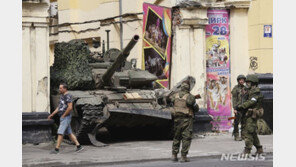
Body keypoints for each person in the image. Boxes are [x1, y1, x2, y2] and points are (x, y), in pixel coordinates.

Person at [48, 83, 83, 154]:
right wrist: (52, 114)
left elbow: (70, 107)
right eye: (59, 88)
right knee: (69, 133)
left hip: (65, 117)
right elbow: (59, 107)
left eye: (60, 88)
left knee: (60, 132)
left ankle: (56, 149)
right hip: (63, 116)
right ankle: (79, 146)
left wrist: (64, 115)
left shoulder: (68, 96)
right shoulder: (62, 96)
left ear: (65, 89)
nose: (59, 89)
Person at [169, 81, 199, 162]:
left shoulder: (175, 96)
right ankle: (183, 156)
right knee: (186, 138)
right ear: (188, 88)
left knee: (176, 137)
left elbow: (171, 102)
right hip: (187, 120)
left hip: (176, 119)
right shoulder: (190, 96)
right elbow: (196, 109)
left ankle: (174, 155)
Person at [236, 74, 264, 155]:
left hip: (253, 114)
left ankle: (247, 150)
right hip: (248, 114)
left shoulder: (256, 92)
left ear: (253, 83)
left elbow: (252, 101)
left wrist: (241, 106)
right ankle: (259, 149)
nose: (246, 84)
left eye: (248, 82)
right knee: (252, 132)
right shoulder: (249, 91)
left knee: (248, 132)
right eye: (246, 82)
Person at [231, 75, 247, 141]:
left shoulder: (246, 88)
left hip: (245, 107)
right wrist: (234, 108)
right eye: (240, 80)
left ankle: (243, 135)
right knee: (236, 122)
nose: (241, 81)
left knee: (244, 122)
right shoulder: (235, 88)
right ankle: (236, 135)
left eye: (243, 80)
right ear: (238, 81)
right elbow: (234, 99)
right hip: (238, 107)